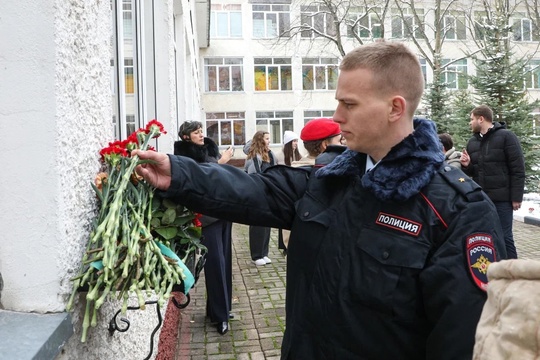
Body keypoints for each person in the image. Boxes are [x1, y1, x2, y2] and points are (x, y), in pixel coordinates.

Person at [133, 41, 507, 359]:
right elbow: (254, 190)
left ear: (395, 107)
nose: (336, 116)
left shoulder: (457, 211)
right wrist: (178, 173)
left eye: (350, 104)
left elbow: (465, 342)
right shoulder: (332, 180)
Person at [174, 121, 234, 335]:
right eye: (196, 132)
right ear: (185, 136)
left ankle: (222, 308)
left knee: (225, 262)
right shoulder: (185, 156)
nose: (201, 134)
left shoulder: (207, 150)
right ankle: (220, 318)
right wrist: (222, 161)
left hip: (223, 212)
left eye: (201, 131)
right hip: (206, 218)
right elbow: (200, 179)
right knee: (215, 263)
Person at [460, 104, 525, 259]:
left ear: (481, 119)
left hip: (502, 199)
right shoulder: (472, 142)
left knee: (504, 236)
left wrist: (516, 197)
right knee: (486, 238)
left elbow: (518, 168)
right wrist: (467, 165)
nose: (470, 123)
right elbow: (474, 173)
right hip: (483, 200)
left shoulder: (506, 137)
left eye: (472, 119)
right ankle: (494, 272)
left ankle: (513, 274)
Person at [244, 131, 276, 266]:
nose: (269, 141)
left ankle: (264, 253)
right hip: (257, 193)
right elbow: (254, 175)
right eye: (267, 138)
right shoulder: (253, 156)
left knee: (267, 223)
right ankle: (256, 255)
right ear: (260, 140)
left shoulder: (270, 154)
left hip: (269, 192)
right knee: (257, 224)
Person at [275, 130, 302, 254]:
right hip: (284, 190)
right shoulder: (279, 156)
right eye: (293, 141)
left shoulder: (298, 155)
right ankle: (285, 245)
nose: (296, 144)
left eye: (297, 141)